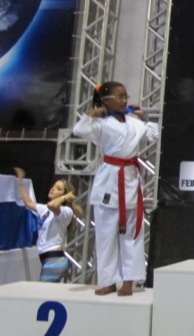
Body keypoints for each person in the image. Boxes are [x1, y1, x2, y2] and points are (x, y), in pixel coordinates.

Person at [73, 81, 159, 296]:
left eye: (125, 96)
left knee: (133, 233)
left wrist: (145, 118)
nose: (124, 100)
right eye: (119, 96)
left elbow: (153, 135)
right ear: (105, 100)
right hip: (109, 179)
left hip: (130, 179)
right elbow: (79, 130)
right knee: (105, 235)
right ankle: (108, 281)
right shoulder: (101, 124)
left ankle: (129, 280)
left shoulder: (133, 123)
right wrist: (92, 114)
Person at [14, 167, 83, 282]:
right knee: (46, 291)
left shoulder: (66, 211)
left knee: (41, 291)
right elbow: (28, 203)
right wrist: (20, 180)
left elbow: (52, 205)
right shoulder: (44, 209)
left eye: (58, 189)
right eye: (53, 186)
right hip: (46, 258)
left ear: (64, 195)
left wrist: (65, 197)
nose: (53, 189)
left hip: (55, 259)